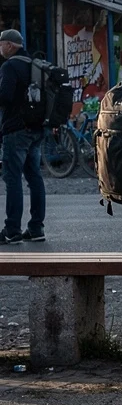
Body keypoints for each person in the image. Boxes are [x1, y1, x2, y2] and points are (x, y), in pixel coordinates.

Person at [0, 29, 47, 244]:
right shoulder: (35, 64)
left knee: (13, 179)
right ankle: (36, 228)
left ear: (9, 45)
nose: (0, 49)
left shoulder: (10, 66)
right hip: (36, 130)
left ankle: (12, 230)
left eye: (1, 44)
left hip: (15, 130)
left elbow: (6, 96)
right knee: (34, 177)